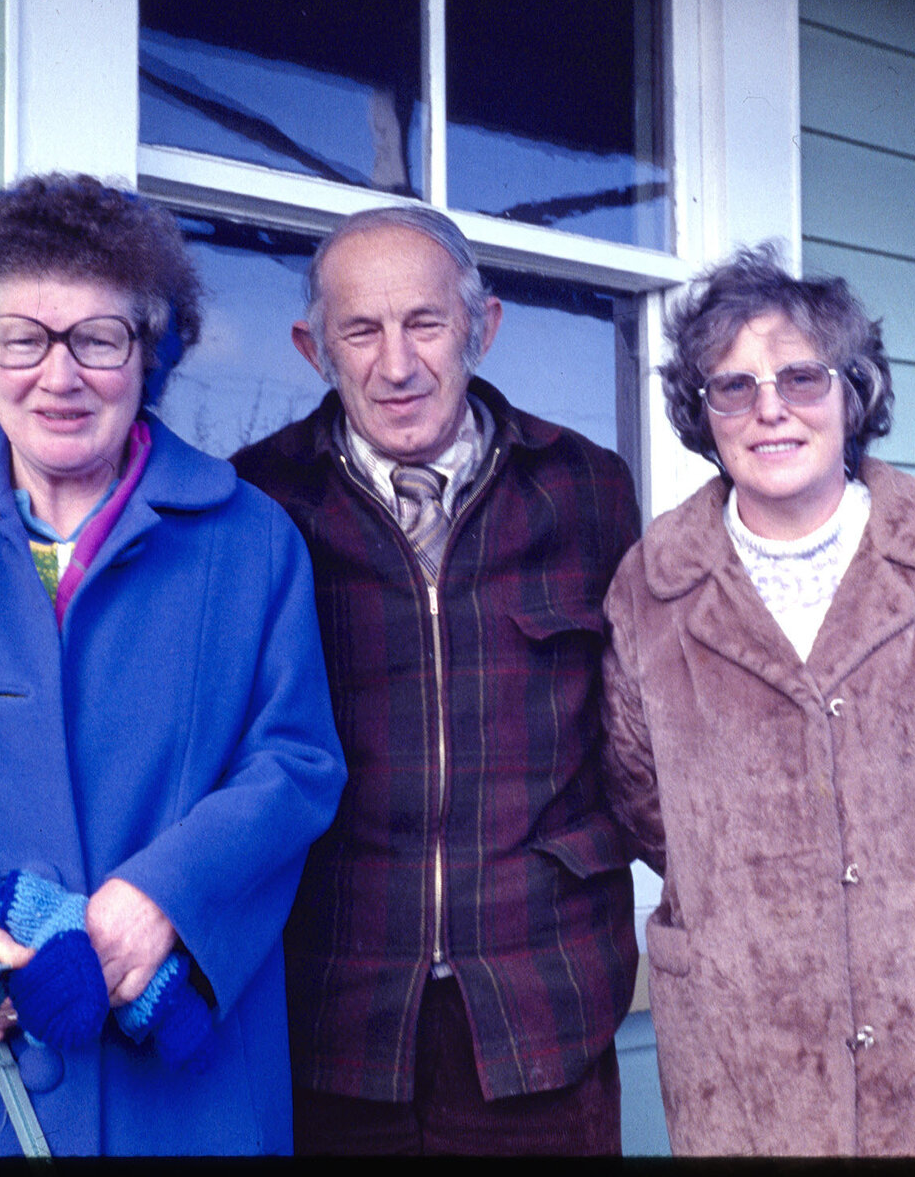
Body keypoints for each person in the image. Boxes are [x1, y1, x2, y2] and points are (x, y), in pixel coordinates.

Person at [0, 173, 346, 1156]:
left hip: (178, 1096)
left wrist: (165, 901)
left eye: (98, 339)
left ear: (150, 350)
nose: (59, 374)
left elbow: (293, 762)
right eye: (23, 338)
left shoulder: (251, 540)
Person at [600, 244, 915, 1156]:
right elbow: (636, 789)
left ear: (851, 392)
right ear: (702, 411)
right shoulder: (651, 586)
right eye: (733, 387)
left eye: (801, 377)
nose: (770, 410)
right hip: (747, 1040)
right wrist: (764, 885)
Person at [231, 205, 641, 1155]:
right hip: (332, 1015)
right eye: (359, 331)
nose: (396, 363)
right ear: (312, 349)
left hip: (543, 1008)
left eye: (424, 322)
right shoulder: (255, 501)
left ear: (480, 327)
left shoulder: (585, 486)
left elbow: (646, 733)